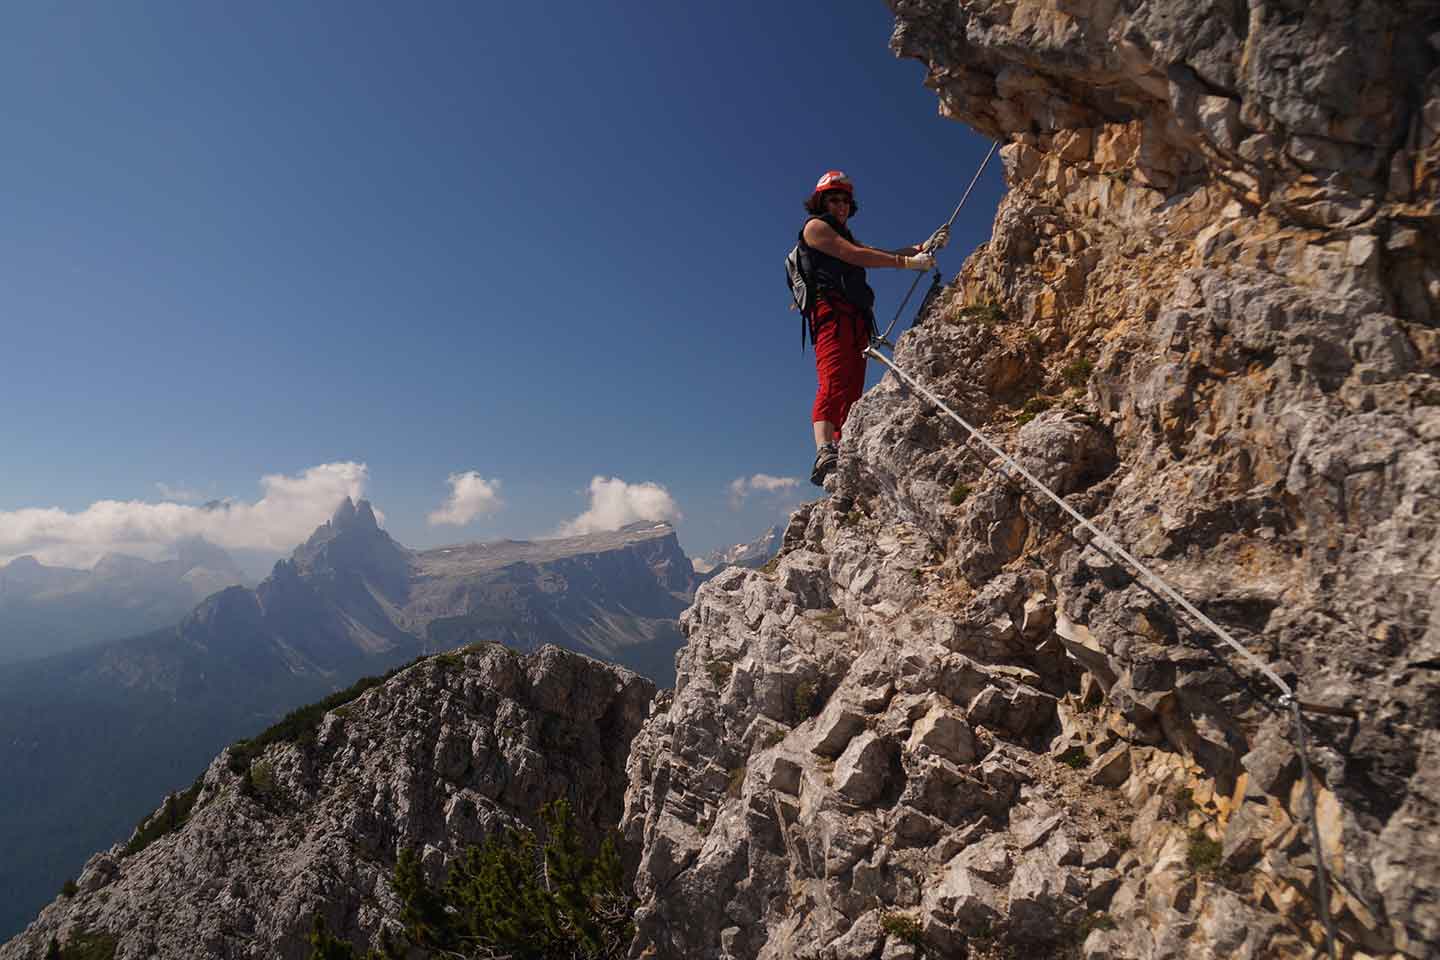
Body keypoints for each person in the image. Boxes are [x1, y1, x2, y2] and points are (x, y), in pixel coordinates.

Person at [799, 170, 948, 486]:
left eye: (845, 200)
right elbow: (856, 256)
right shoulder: (815, 228)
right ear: (821, 201)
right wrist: (907, 263)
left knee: (852, 387)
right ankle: (824, 449)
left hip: (854, 317)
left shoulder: (844, 235)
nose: (841, 205)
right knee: (834, 378)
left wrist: (922, 246)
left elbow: (874, 252)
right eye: (834, 199)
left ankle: (845, 447)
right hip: (832, 314)